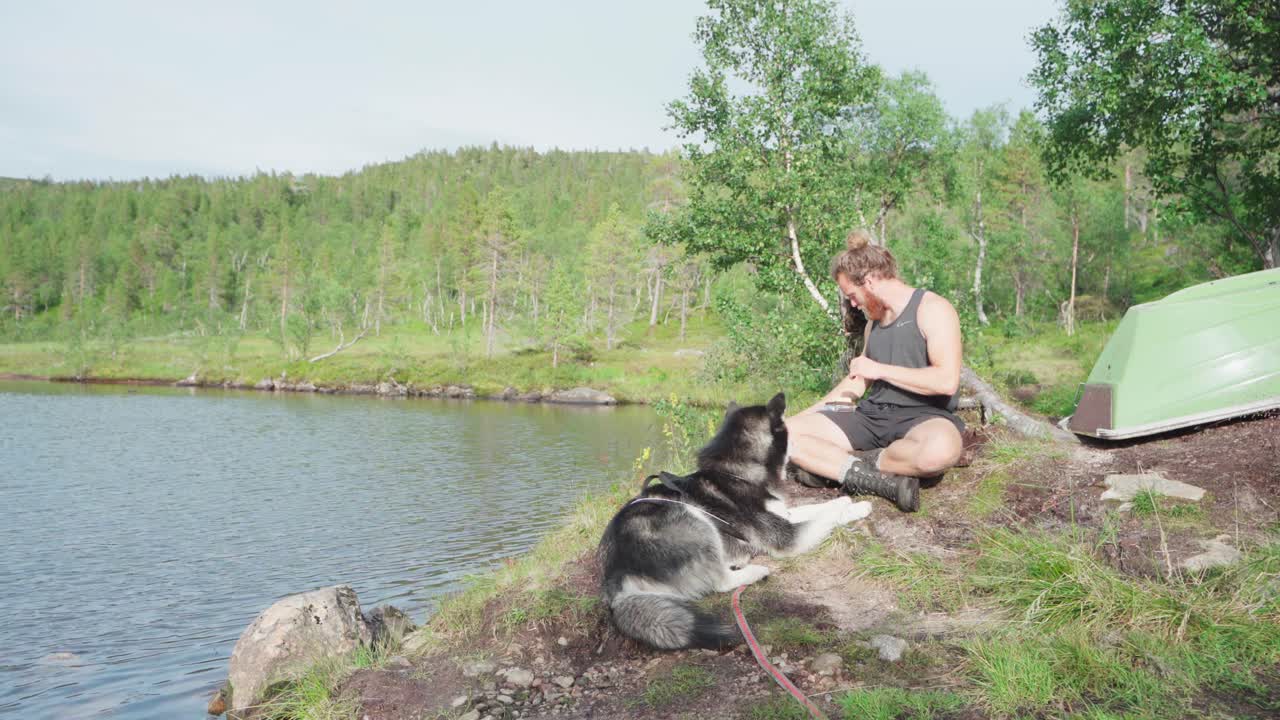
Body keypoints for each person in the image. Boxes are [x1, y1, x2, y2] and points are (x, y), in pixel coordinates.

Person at [785, 229, 964, 512]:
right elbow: (855, 384)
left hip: (924, 418)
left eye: (852, 295)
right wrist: (798, 418)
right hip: (871, 417)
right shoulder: (874, 324)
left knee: (941, 451)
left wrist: (880, 369)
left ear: (869, 282)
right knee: (784, 435)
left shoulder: (934, 309)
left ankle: (848, 464)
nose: (853, 304)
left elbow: (946, 381)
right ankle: (871, 477)